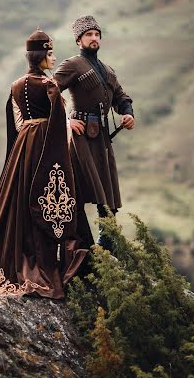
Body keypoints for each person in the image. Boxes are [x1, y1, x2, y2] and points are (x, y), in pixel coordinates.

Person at [0, 29, 89, 302]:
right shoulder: (49, 86)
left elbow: (15, 123)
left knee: (18, 201)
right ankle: (42, 264)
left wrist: (27, 136)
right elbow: (56, 124)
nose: (53, 58)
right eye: (50, 54)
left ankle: (16, 257)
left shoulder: (16, 85)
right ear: (40, 56)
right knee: (44, 197)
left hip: (22, 147)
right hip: (44, 145)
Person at [54, 15, 135, 247]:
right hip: (80, 138)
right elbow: (49, 92)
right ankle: (74, 242)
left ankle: (106, 240)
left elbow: (121, 97)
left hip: (101, 136)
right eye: (89, 35)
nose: (94, 38)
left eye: (97, 34)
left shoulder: (108, 70)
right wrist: (66, 122)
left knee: (108, 191)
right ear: (79, 40)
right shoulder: (72, 65)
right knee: (76, 190)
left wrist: (127, 113)